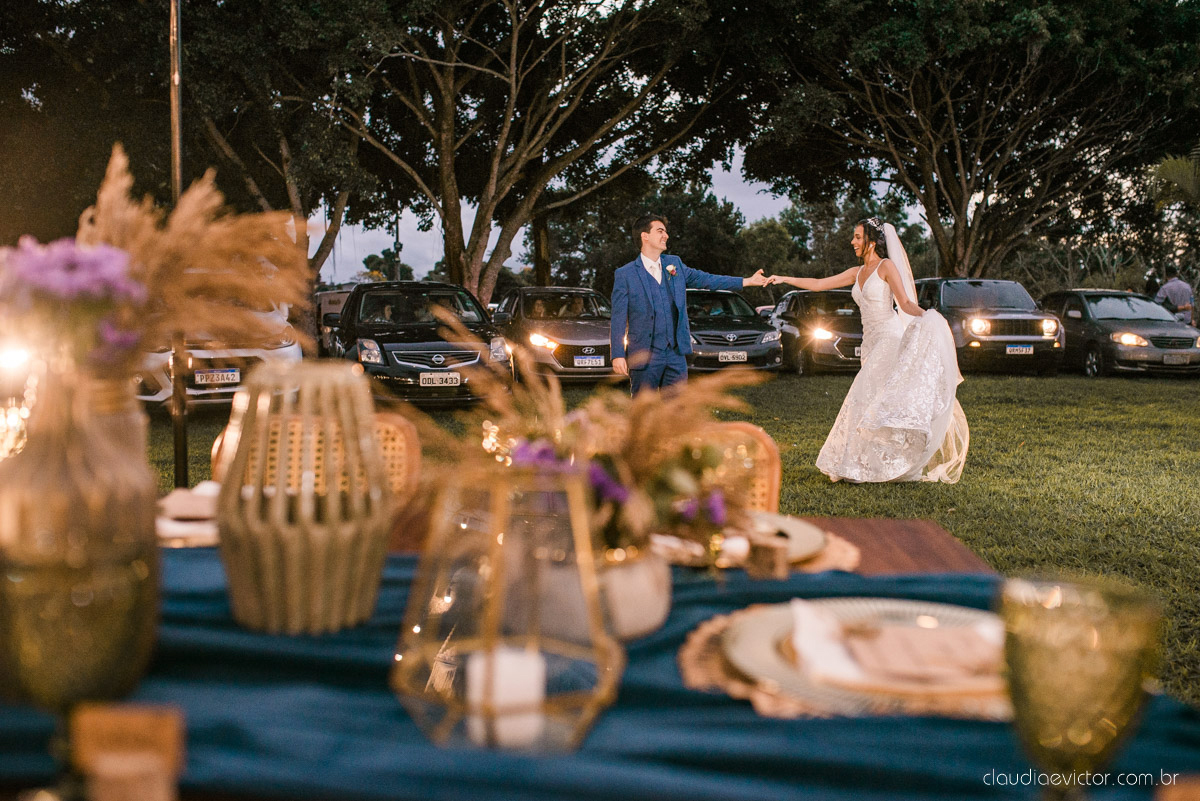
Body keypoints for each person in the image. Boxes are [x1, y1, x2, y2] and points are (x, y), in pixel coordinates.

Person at [766, 218, 969, 483]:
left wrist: (929, 317)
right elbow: (818, 283)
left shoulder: (886, 267)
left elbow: (905, 303)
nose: (852, 241)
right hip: (870, 343)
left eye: (857, 237)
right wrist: (783, 278)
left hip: (889, 338)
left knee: (861, 396)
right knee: (875, 400)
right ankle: (876, 462)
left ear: (872, 241)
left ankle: (857, 465)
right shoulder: (856, 272)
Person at [610, 214, 769, 393]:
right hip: (643, 354)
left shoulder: (674, 264)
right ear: (644, 236)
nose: (666, 235)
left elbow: (708, 279)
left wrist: (746, 281)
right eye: (660, 231)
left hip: (675, 354)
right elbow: (618, 318)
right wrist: (617, 355)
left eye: (666, 231)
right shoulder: (625, 274)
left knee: (678, 409)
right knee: (643, 411)